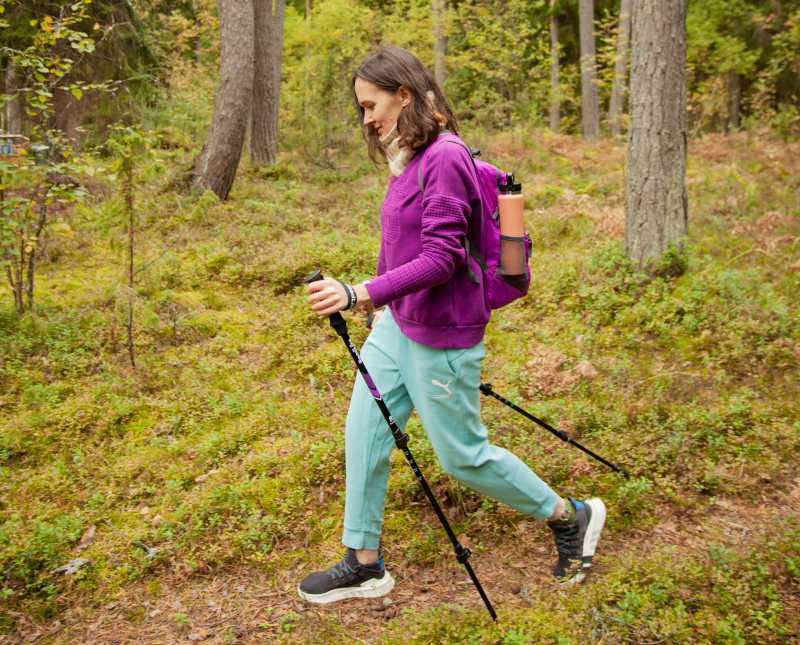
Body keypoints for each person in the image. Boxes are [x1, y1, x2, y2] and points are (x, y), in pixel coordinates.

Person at [299, 46, 605, 604]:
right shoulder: (409, 159)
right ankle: (363, 562)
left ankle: (571, 516)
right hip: (396, 326)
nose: (367, 119)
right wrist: (378, 307)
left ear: (404, 94)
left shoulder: (443, 157)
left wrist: (358, 293)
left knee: (462, 456)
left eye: (372, 105)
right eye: (361, 109)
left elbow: (440, 259)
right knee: (363, 434)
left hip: (442, 332)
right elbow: (401, 245)